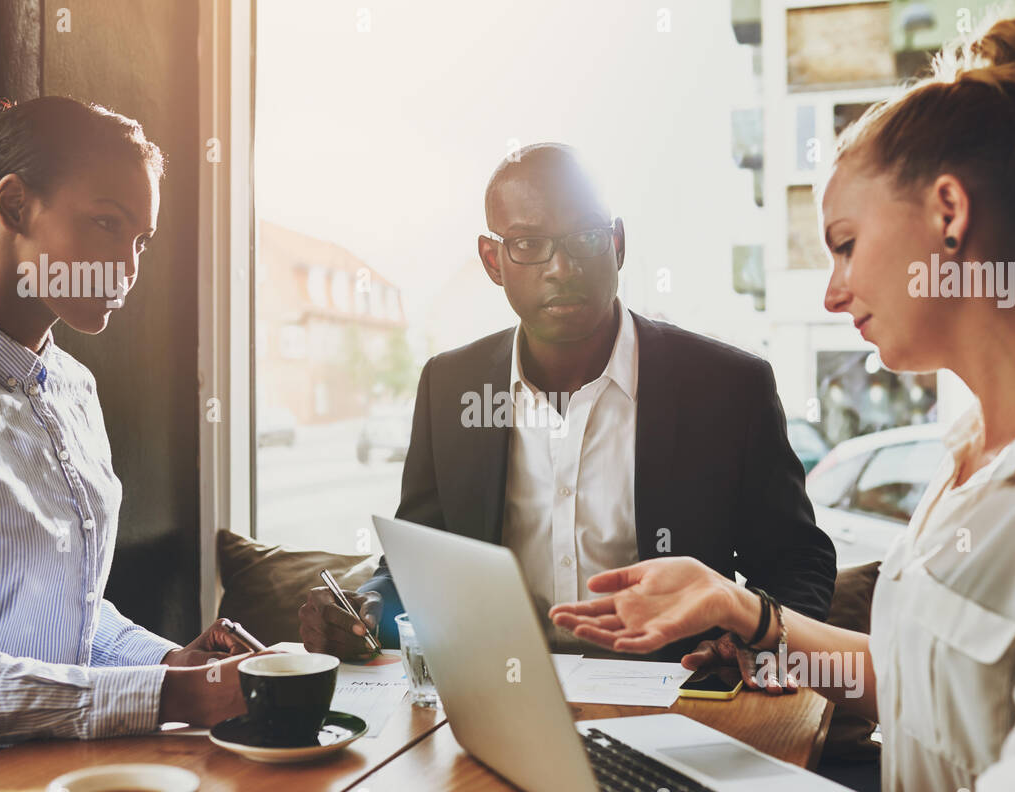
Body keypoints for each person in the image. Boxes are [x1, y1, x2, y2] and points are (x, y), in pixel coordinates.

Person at [549, 15, 1015, 792]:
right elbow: (917, 685)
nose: (833, 292)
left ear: (949, 212)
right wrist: (738, 609)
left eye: (844, 244)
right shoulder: (970, 461)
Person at [300, 144, 836, 675]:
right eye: (528, 243)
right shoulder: (449, 386)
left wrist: (755, 645)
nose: (560, 267)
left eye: (585, 237)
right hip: (500, 697)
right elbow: (417, 564)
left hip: (680, 698)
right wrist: (365, 607)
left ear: (618, 245)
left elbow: (797, 563)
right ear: (493, 261)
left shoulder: (728, 387)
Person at [0, 97, 253, 792]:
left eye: (141, 238)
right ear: (14, 204)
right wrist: (172, 701)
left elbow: (64, 616)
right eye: (107, 222)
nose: (128, 267)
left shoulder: (73, 387)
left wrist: (175, 667)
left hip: (54, 773)